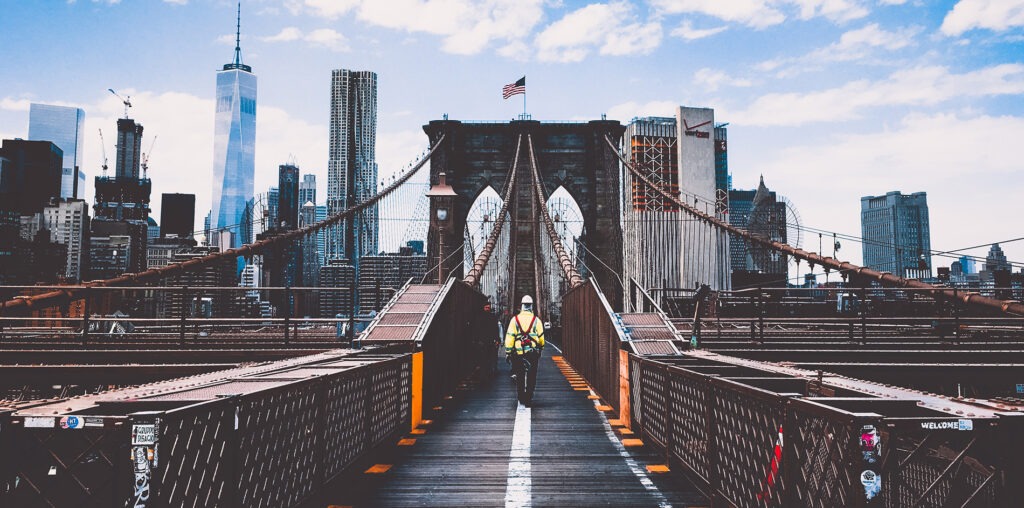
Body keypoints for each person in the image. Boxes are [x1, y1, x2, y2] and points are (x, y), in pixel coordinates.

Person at [505, 295, 545, 406]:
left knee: (520, 375)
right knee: (532, 375)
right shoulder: (536, 320)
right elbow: (541, 337)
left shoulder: (515, 320)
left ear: (522, 306)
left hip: (518, 353)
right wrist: (541, 347)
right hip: (532, 353)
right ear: (531, 306)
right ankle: (529, 397)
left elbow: (510, 336)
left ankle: (521, 396)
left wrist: (508, 351)